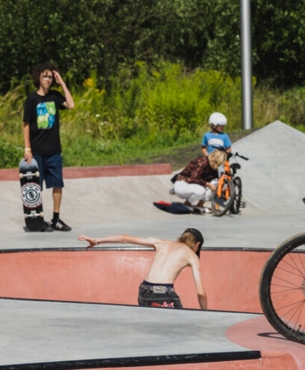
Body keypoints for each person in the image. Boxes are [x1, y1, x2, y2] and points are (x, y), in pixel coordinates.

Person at [77, 229, 207, 310]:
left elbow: (124, 238)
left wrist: (96, 240)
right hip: (163, 294)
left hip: (143, 291)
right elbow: (200, 292)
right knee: (180, 327)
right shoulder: (191, 255)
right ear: (197, 245)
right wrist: (206, 314)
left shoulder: (161, 243)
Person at [23, 62, 75, 231]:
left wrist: (63, 84)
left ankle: (56, 219)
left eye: (50, 77)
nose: (47, 79)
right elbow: (25, 124)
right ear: (39, 77)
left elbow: (71, 105)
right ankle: (39, 219)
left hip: (54, 150)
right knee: (36, 187)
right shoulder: (32, 99)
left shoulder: (55, 96)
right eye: (44, 76)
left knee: (57, 184)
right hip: (37, 150)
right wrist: (27, 148)